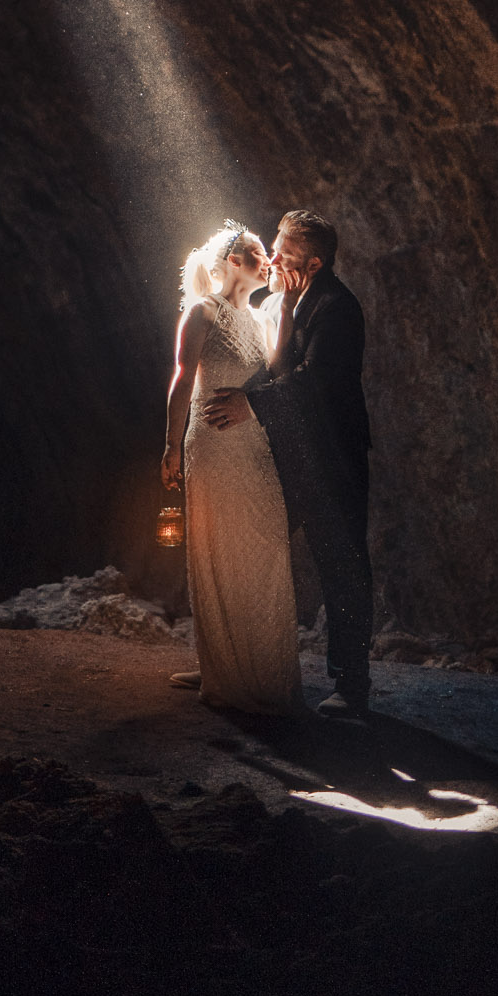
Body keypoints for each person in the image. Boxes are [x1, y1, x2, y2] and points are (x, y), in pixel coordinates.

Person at [204, 208, 373, 719]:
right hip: (289, 455)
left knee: (342, 567)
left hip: (331, 462)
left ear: (315, 262)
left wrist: (250, 404)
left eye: (286, 251)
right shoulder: (285, 300)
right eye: (275, 246)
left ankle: (351, 685)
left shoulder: (337, 308)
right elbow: (274, 366)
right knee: (252, 550)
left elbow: (317, 379)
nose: (273, 257)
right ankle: (233, 667)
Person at [161, 220, 303, 715]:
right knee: (217, 549)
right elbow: (182, 380)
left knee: (263, 550)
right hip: (214, 448)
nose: (269, 259)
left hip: (255, 449)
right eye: (258, 251)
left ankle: (260, 667)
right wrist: (171, 447)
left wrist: (284, 301)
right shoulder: (203, 312)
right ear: (232, 262)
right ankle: (221, 667)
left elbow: (280, 375)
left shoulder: (264, 316)